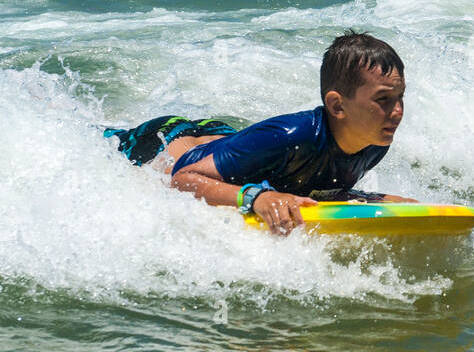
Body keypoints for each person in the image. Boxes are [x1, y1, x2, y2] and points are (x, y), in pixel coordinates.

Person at [103, 32, 414, 234]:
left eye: (400, 97)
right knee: (100, 143)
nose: (397, 110)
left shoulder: (374, 140)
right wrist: (256, 198)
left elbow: (316, 185)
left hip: (225, 138)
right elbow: (182, 178)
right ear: (337, 106)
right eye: (383, 99)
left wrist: (373, 199)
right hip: (166, 140)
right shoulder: (292, 136)